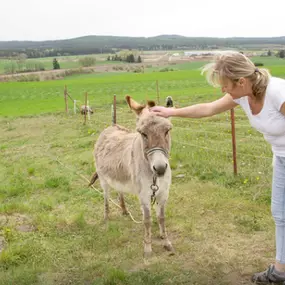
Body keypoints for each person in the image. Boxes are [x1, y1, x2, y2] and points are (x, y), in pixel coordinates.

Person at [150, 52, 285, 284]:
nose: (223, 91)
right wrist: (172, 112)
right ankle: (281, 270)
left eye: (225, 86)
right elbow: (208, 109)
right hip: (281, 158)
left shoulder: (277, 93)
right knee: (280, 213)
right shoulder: (243, 95)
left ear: (241, 81)